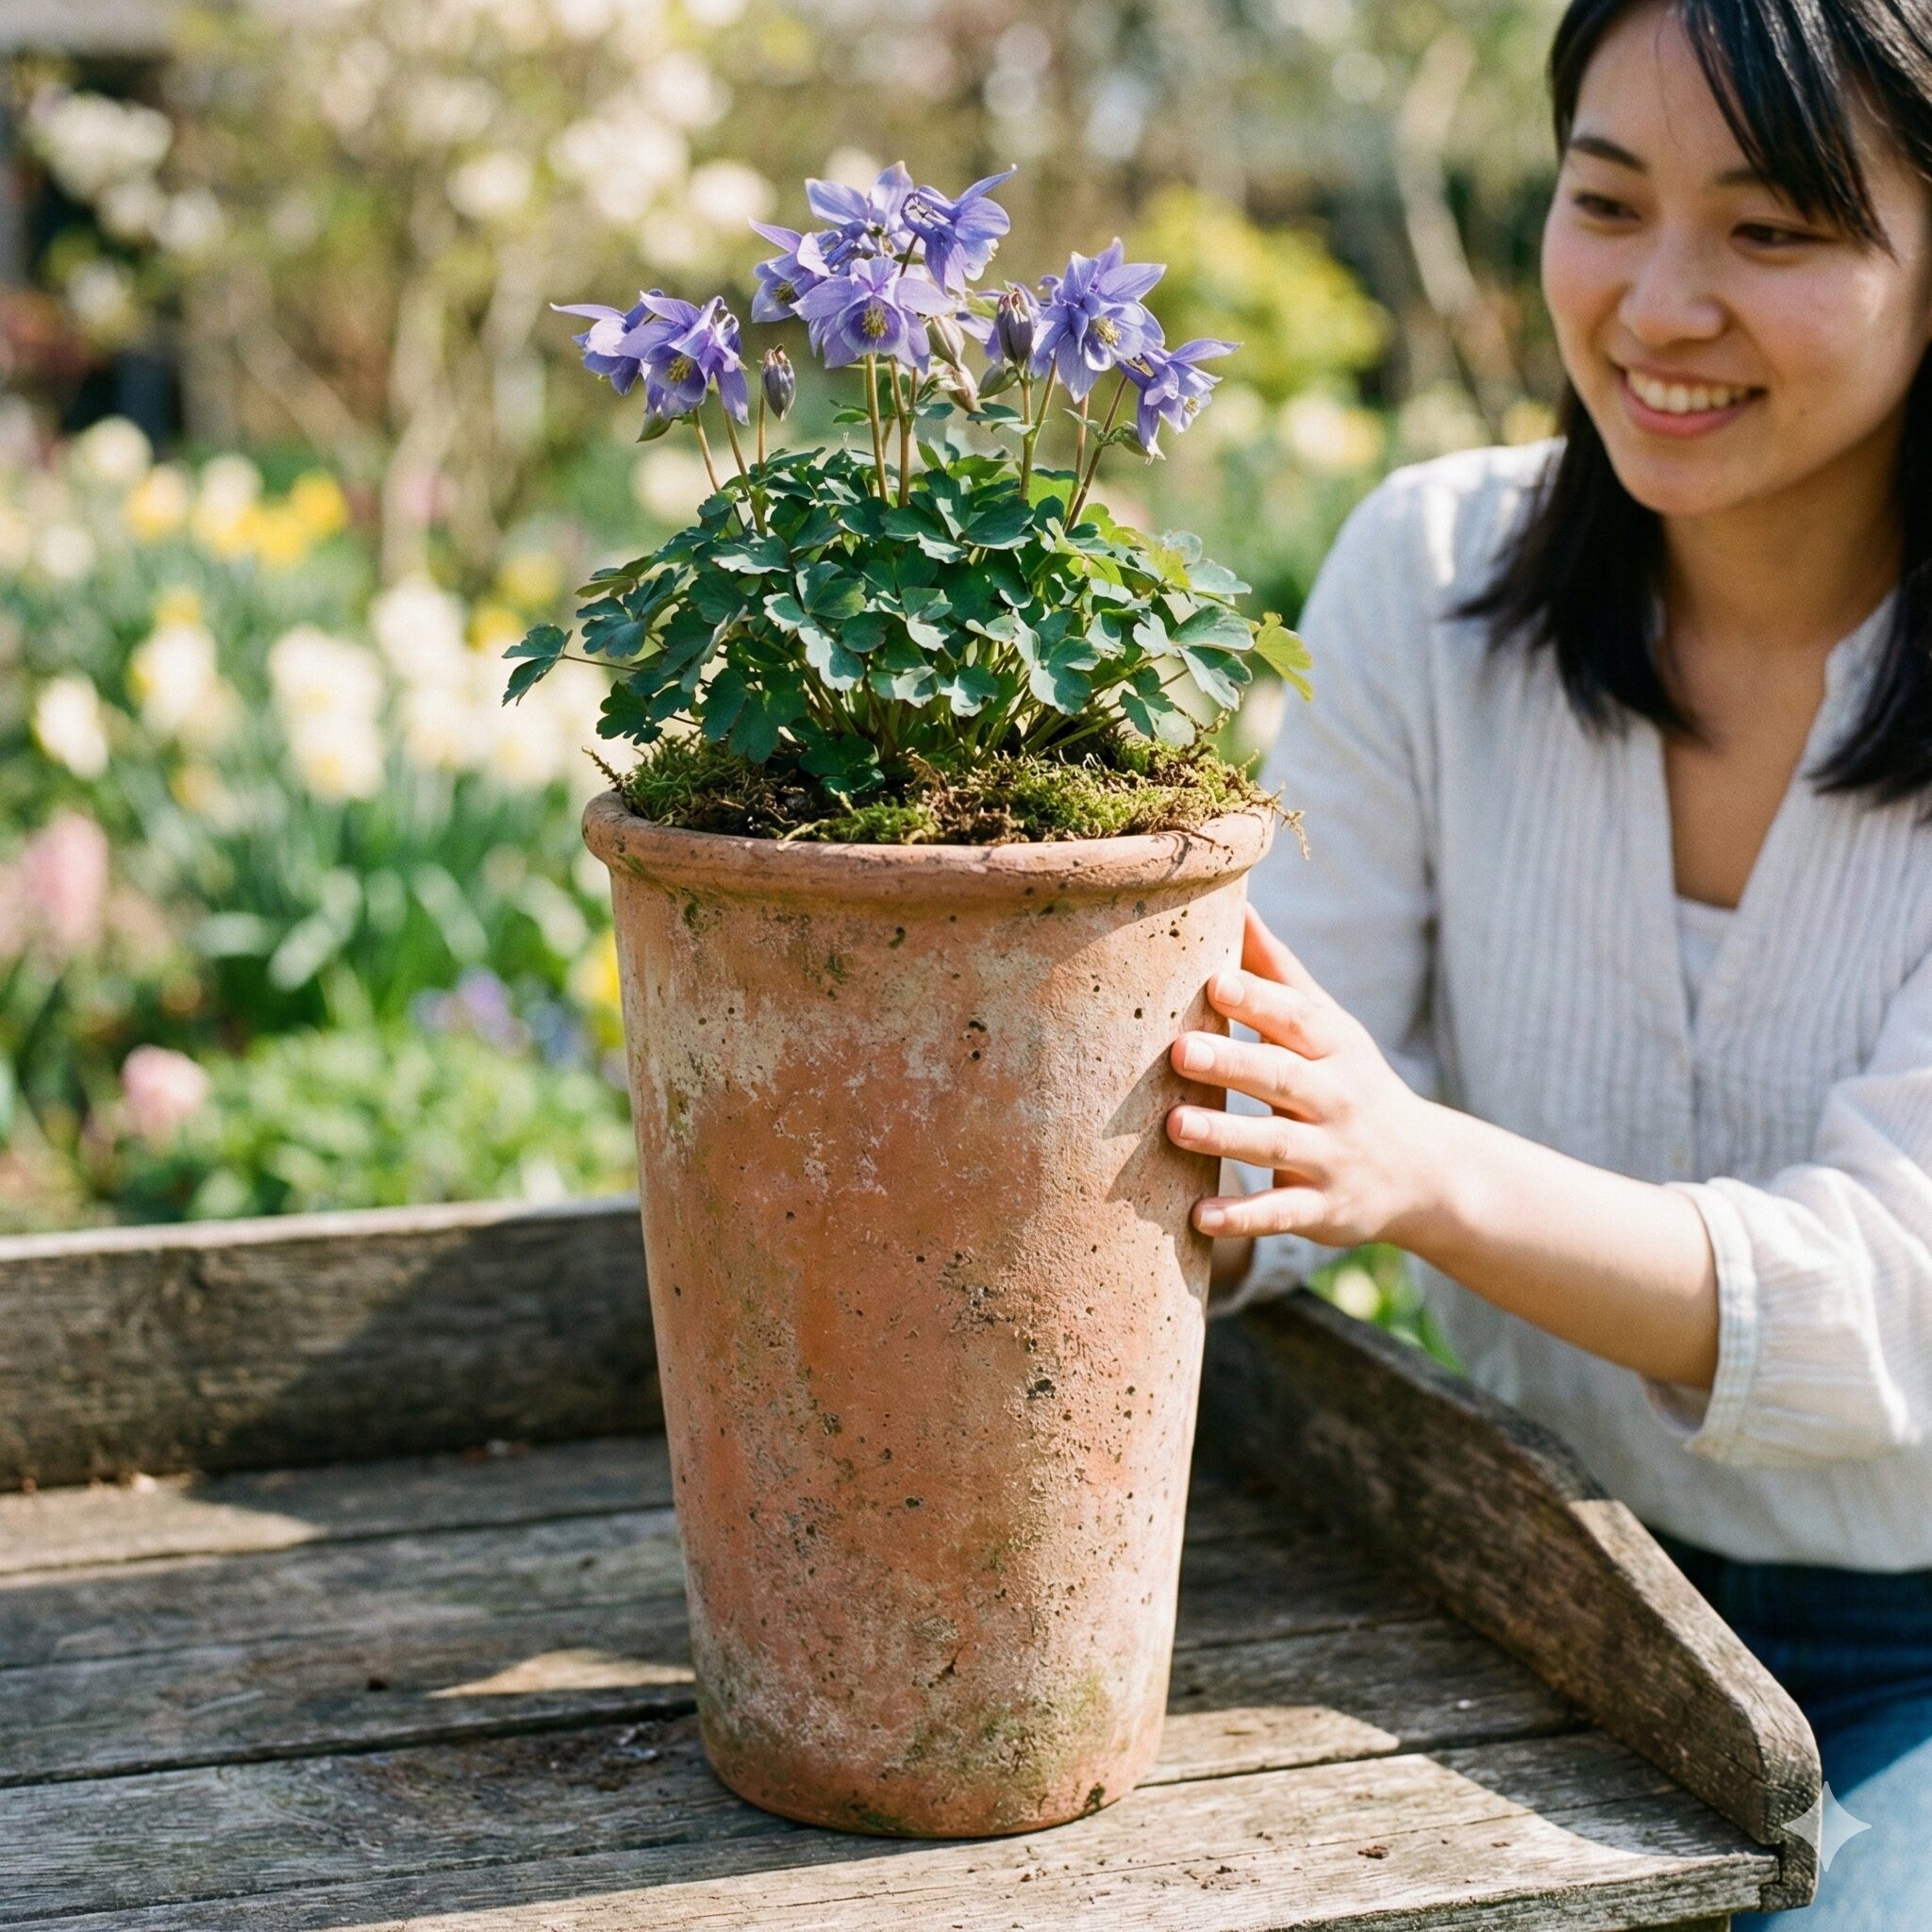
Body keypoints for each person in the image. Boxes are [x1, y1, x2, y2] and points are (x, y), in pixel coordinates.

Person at [1167, 2, 1932, 1924]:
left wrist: (1420, 1171)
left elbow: (1890, 1307)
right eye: (1606, 201)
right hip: (1539, 1570)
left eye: (1773, 232)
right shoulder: (1429, 582)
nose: (1659, 304)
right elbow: (1256, 1123)